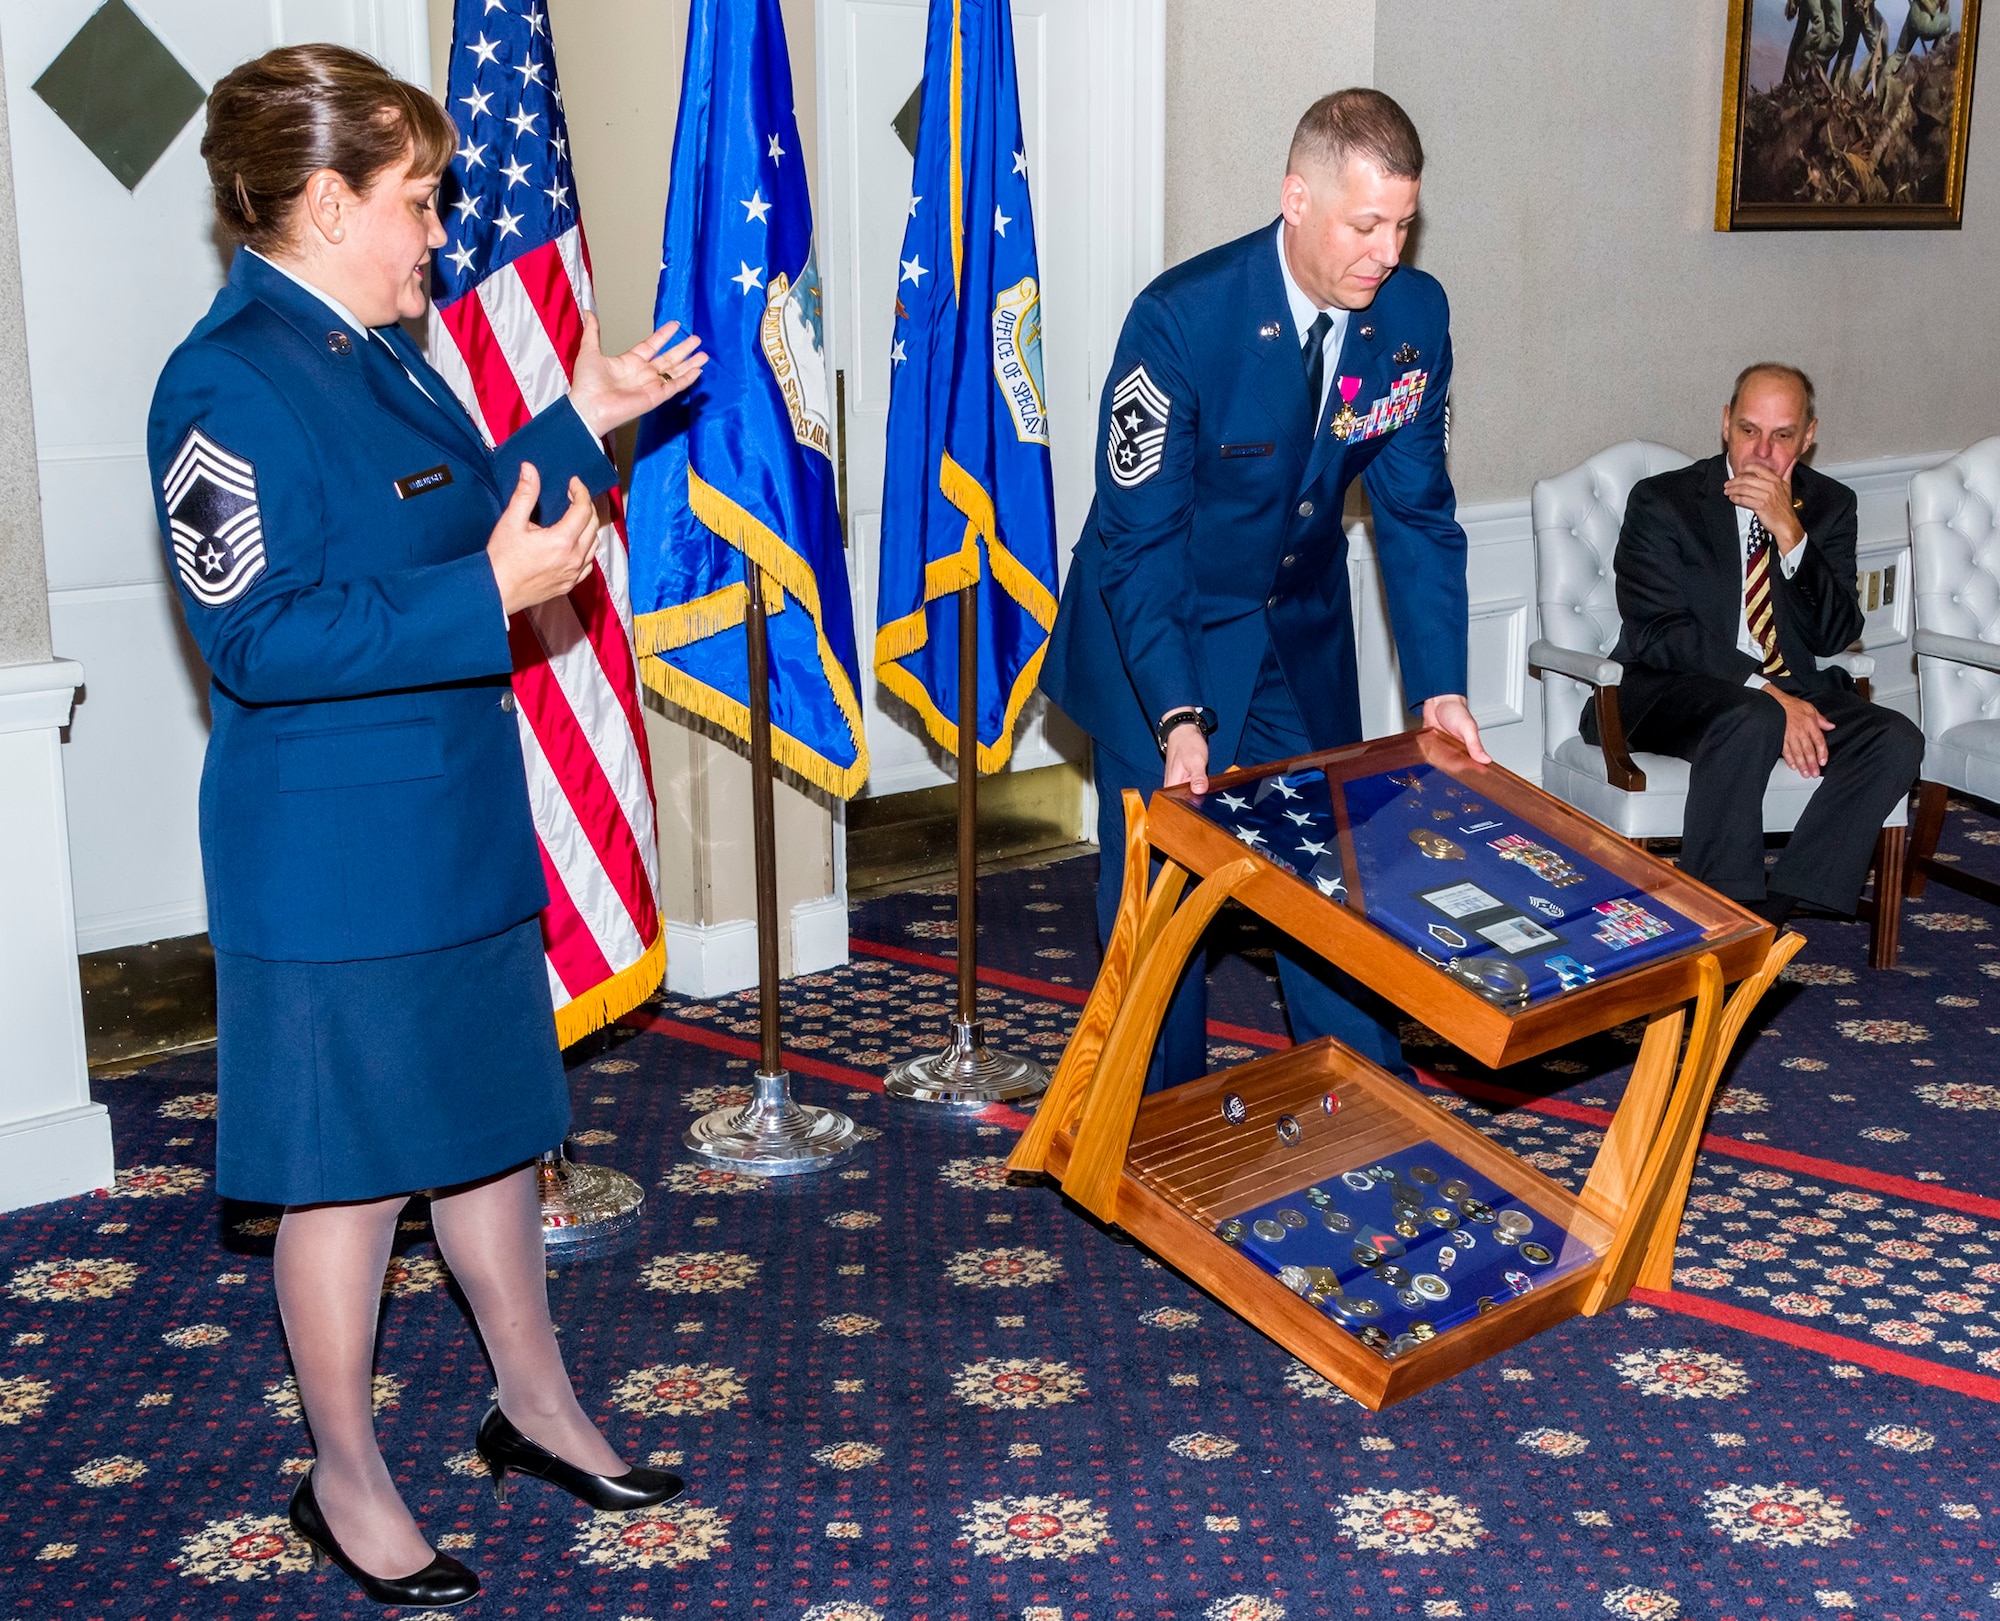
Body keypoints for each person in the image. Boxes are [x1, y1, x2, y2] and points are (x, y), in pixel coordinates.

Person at [150, 46, 708, 1608]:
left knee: (487, 1127)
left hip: (454, 814)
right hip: (330, 858)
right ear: (325, 204)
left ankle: (532, 1405)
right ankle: (343, 1475)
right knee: (344, 1176)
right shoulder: (226, 381)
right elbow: (259, 635)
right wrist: (488, 596)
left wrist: (574, 417)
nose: (438, 234)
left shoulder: (380, 345)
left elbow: (449, 516)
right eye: (415, 202)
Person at [1041, 88, 1485, 1091]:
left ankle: (1361, 1107)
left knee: (1330, 878)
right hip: (1156, 629)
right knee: (1157, 904)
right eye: (1364, 224)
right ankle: (1149, 1133)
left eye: (1402, 225)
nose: (1386, 251)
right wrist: (1177, 714)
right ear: (1296, 198)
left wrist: (1440, 685)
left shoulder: (1412, 317)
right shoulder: (1181, 322)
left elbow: (1415, 513)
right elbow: (1138, 539)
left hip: (1296, 630)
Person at [1587, 364, 1923, 927]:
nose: (1762, 452)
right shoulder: (1665, 501)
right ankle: (1715, 911)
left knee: (1895, 737)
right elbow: (1658, 632)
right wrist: (1766, 692)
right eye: (1748, 430)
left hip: (1787, 689)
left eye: (1783, 436)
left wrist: (1791, 534)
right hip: (1667, 694)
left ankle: (1779, 905)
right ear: (1725, 424)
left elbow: (1836, 633)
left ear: (1808, 437)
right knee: (1753, 716)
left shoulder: (1829, 505)